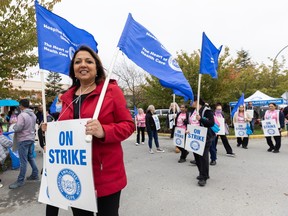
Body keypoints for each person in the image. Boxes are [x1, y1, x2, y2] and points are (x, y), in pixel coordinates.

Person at [43, 45, 135, 216]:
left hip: (105, 175)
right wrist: (53, 132)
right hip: (76, 175)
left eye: (88, 61)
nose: (83, 65)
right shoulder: (67, 97)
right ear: (73, 69)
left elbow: (129, 125)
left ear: (97, 67)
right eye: (78, 62)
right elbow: (66, 129)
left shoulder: (111, 91)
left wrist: (103, 131)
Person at [9, 99, 39, 189]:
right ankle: (35, 174)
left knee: (23, 161)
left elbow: (18, 128)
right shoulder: (33, 114)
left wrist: (14, 125)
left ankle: (20, 181)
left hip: (23, 139)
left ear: (21, 105)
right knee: (30, 157)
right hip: (30, 138)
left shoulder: (22, 115)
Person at [189, 97, 216, 187]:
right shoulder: (193, 111)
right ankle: (203, 173)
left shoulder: (206, 110)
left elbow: (211, 123)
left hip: (205, 137)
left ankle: (203, 177)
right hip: (194, 137)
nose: (191, 102)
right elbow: (192, 123)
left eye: (192, 101)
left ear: (197, 101)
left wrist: (201, 119)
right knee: (197, 157)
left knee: (203, 157)